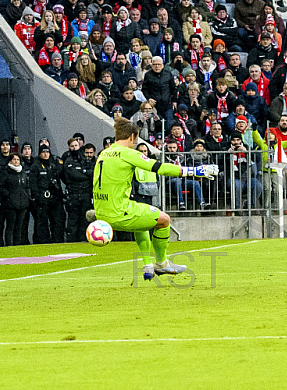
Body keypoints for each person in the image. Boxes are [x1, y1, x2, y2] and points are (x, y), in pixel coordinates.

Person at [93, 117, 218, 280]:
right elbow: (159, 167)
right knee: (164, 219)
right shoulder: (128, 153)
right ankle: (162, 264)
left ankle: (147, 266)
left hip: (102, 214)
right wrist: (193, 171)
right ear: (132, 137)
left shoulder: (105, 153)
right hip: (119, 212)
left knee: (142, 220)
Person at [0, 153, 31, 246]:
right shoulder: (5, 172)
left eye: (18, 159)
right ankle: (9, 244)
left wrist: (27, 196)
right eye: (14, 159)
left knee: (19, 226)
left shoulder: (23, 173)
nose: (16, 161)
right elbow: (0, 187)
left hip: (22, 203)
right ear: (10, 161)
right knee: (10, 225)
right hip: (10, 204)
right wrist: (8, 195)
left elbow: (27, 186)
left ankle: (17, 245)